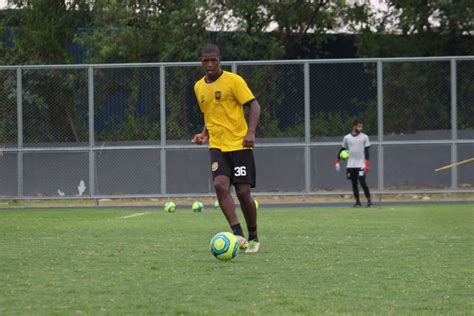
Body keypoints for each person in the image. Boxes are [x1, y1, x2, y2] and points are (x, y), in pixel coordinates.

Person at [192, 44, 261, 253]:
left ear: (220, 59)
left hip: (240, 144)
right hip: (217, 146)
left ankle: (254, 236)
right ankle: (237, 234)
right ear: (201, 62)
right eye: (206, 61)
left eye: (213, 60)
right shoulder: (198, 87)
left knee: (242, 192)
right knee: (220, 185)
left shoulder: (234, 81)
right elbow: (209, 114)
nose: (210, 64)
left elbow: (254, 105)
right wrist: (204, 134)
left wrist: (251, 132)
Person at [335, 120, 372, 207]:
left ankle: (369, 201)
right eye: (359, 126)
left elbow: (367, 152)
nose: (360, 128)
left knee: (362, 182)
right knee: (354, 183)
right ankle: (358, 202)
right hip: (351, 165)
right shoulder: (347, 138)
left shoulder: (365, 137)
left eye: (361, 127)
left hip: (361, 165)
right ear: (354, 127)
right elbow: (342, 150)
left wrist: (366, 165)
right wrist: (337, 162)